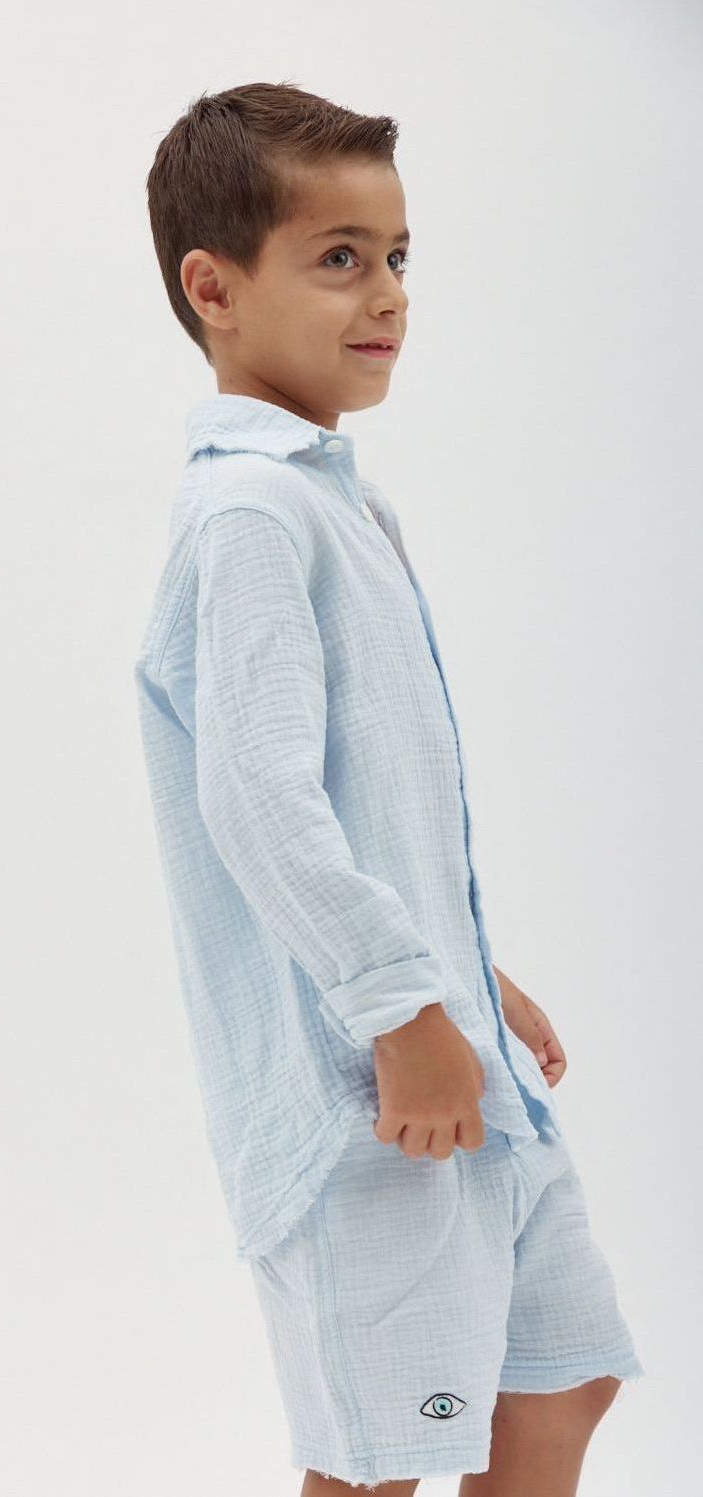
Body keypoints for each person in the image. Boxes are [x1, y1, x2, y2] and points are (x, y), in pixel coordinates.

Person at [131, 81, 645, 1493]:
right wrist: (400, 1009)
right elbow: (259, 799)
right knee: (380, 1457)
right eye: (340, 257)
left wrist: (465, 972)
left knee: (559, 1377)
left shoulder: (339, 501)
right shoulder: (249, 514)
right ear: (214, 288)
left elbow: (369, 801)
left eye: (398, 255)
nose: (388, 294)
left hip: (441, 1036)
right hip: (361, 1088)